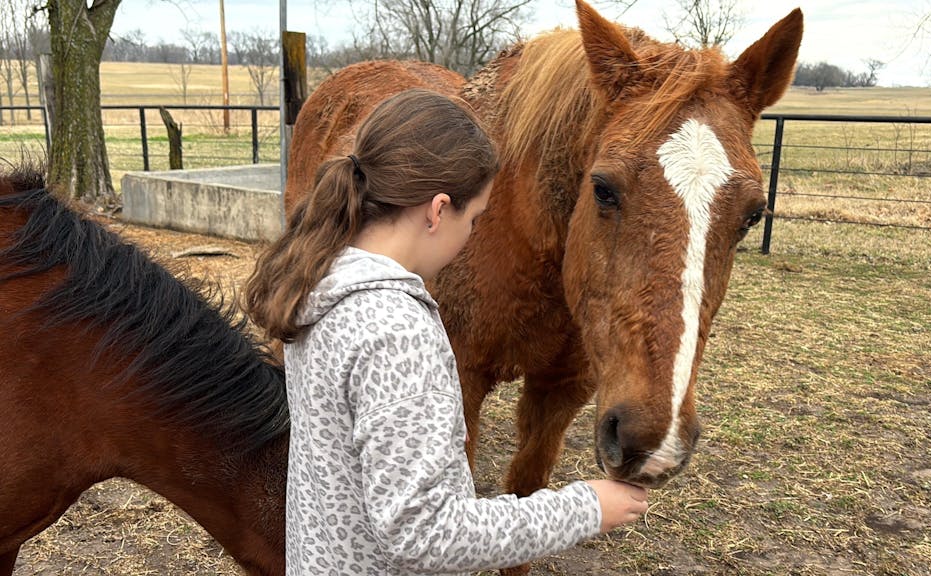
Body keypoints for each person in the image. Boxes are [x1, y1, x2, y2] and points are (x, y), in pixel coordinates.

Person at [245, 88, 648, 575]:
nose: (472, 234)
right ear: (437, 210)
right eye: (475, 218)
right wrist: (586, 508)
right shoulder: (395, 331)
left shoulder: (319, 284)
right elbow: (425, 535)